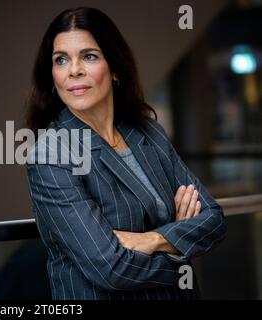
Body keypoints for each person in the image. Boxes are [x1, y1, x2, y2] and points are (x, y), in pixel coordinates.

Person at [24, 7, 227, 300]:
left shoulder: (148, 132)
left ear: (115, 68)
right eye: (61, 60)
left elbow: (213, 219)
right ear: (52, 74)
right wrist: (180, 247)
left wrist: (151, 240)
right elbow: (110, 267)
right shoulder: (51, 155)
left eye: (89, 56)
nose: (74, 70)